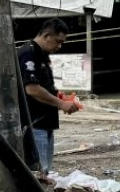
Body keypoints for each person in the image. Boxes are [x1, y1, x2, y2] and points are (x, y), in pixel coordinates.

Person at [18, 18, 80, 174]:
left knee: (44, 171)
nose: (59, 46)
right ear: (46, 36)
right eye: (58, 41)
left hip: (45, 123)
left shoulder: (41, 54)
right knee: (38, 172)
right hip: (34, 124)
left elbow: (43, 86)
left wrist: (59, 96)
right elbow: (32, 89)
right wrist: (60, 103)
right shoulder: (29, 53)